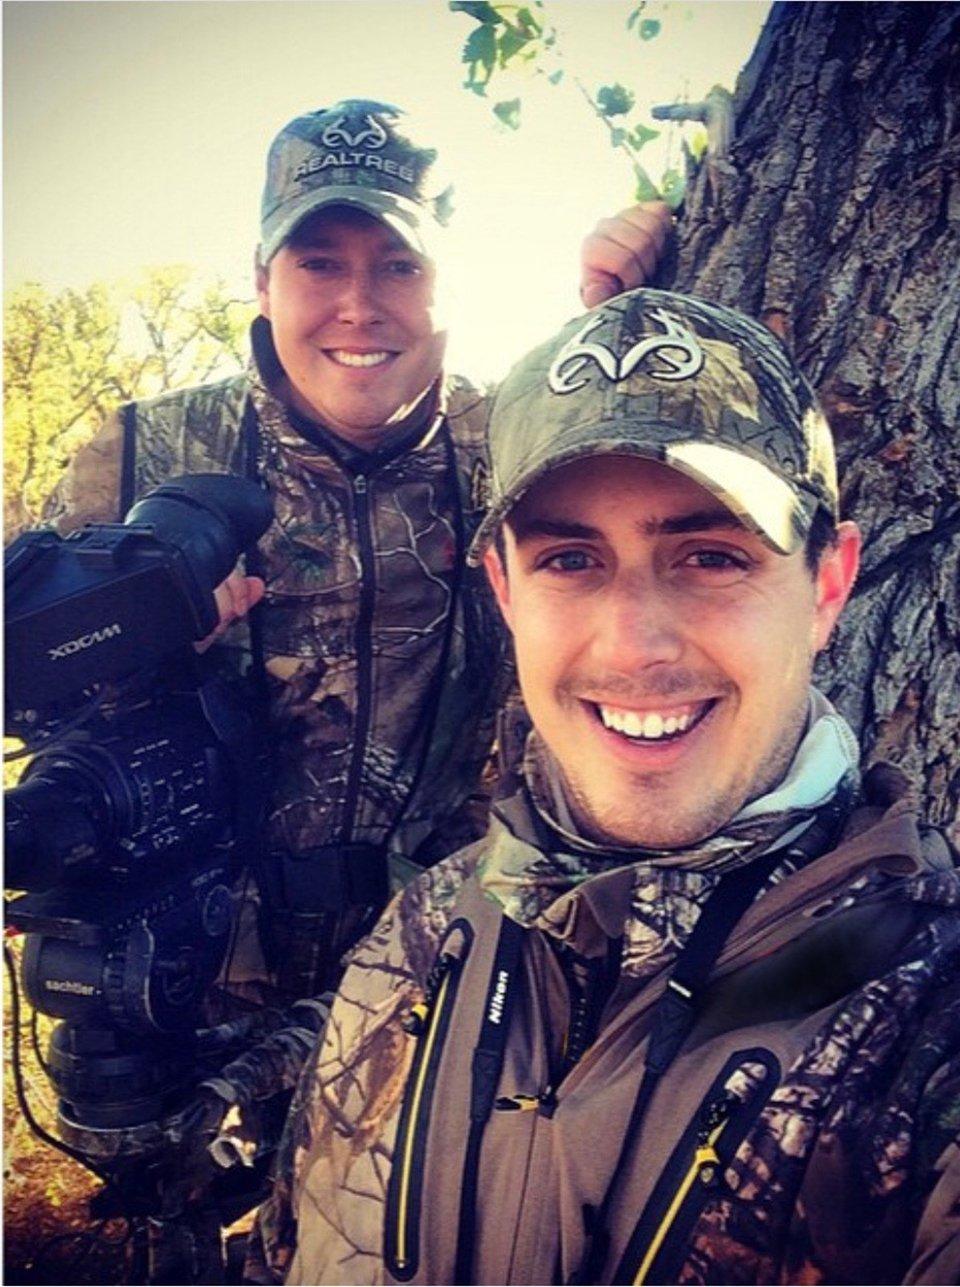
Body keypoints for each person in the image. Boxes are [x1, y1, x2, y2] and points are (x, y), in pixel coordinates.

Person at [261, 288, 960, 1285]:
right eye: (571, 559)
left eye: (712, 556)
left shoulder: (928, 1025)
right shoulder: (417, 937)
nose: (634, 642)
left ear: (828, 585)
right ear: (503, 590)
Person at [41, 99, 672, 1002]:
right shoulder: (143, 453)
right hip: (177, 981)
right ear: (262, 279)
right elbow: (39, 701)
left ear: (451, 280)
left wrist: (639, 292)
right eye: (319, 263)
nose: (358, 306)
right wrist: (136, 645)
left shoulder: (521, 445)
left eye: (399, 266)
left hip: (443, 973)